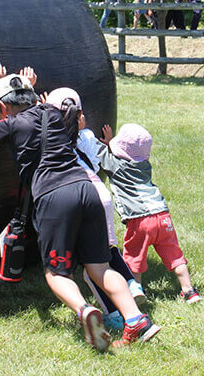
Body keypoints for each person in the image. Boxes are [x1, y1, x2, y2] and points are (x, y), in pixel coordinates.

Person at [0, 60, 160, 350]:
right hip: (86, 189)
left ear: (2, 108)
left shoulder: (11, 124)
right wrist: (19, 85)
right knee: (100, 267)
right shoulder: (53, 112)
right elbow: (32, 103)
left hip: (53, 197)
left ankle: (84, 310)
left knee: (56, 272)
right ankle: (136, 319)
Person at [43, 87, 144, 332]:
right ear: (80, 115)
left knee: (93, 268)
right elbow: (97, 162)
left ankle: (113, 316)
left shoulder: (51, 138)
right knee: (107, 249)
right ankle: (131, 283)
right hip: (99, 192)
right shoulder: (87, 135)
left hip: (75, 194)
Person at [96, 122, 201, 304]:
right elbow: (128, 157)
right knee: (174, 255)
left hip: (140, 220)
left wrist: (93, 136)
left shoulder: (116, 167)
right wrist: (114, 144)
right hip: (162, 216)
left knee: (134, 257)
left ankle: (136, 290)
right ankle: (189, 291)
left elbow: (99, 154)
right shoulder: (145, 166)